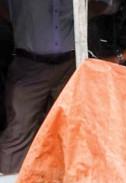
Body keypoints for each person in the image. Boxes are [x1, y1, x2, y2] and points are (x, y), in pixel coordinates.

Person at [0, 0, 114, 173]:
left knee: (75, 125)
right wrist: (21, 22)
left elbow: (108, 6)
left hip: (70, 63)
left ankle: (72, 182)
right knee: (19, 128)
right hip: (29, 65)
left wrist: (84, 8)